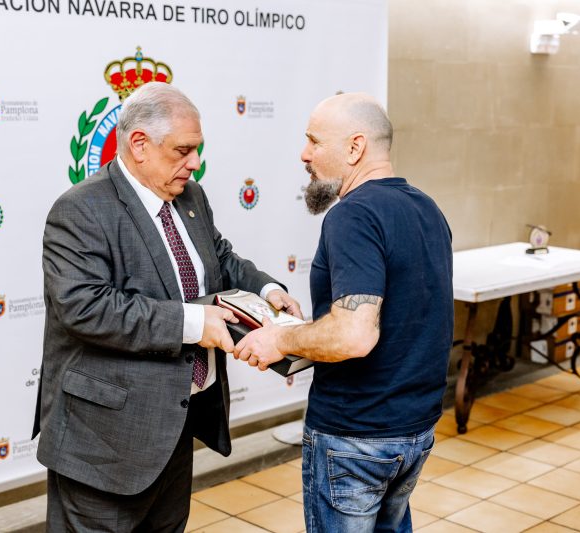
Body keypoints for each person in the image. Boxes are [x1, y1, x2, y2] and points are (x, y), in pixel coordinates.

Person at [32, 81, 302, 532]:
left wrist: (268, 289)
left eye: (197, 150)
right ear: (139, 144)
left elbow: (221, 258)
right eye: (183, 150)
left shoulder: (190, 196)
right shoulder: (81, 209)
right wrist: (196, 323)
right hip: (103, 442)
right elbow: (85, 308)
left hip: (173, 426)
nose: (194, 163)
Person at [235, 92, 453, 532]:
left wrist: (279, 338)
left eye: (314, 141)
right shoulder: (426, 207)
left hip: (356, 437)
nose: (305, 154)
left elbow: (354, 335)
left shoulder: (353, 215)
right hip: (415, 432)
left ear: (355, 148)